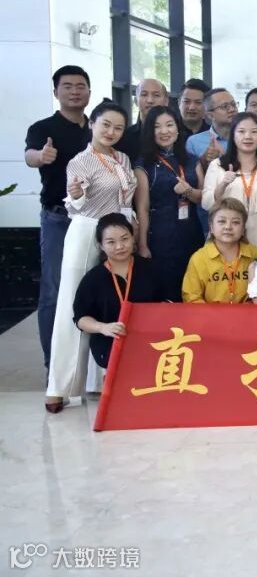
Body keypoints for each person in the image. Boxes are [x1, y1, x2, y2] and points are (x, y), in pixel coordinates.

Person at [45, 100, 135, 412]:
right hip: (88, 230)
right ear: (93, 124)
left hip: (119, 234)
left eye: (118, 127)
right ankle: (59, 387)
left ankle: (97, 380)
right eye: (105, 124)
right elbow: (76, 201)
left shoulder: (122, 158)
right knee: (72, 304)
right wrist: (77, 194)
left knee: (109, 301)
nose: (111, 131)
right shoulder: (80, 161)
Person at [25, 65, 91, 372]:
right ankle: (54, 366)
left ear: (89, 92)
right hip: (58, 219)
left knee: (92, 286)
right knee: (53, 290)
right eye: (68, 86)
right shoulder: (43, 128)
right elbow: (30, 156)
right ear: (56, 92)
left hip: (94, 219)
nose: (75, 91)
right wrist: (41, 157)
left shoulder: (97, 128)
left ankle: (89, 366)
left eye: (80, 86)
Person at [72, 213, 161, 374]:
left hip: (152, 347)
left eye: (124, 239)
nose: (119, 246)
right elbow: (80, 318)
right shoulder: (93, 279)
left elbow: (170, 304)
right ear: (101, 245)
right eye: (111, 242)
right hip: (111, 349)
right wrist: (103, 327)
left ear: (133, 238)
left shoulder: (152, 269)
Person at [134, 105, 204, 301]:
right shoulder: (143, 164)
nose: (164, 131)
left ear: (178, 128)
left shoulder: (192, 160)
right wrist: (142, 245)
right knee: (166, 290)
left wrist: (188, 191)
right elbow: (142, 208)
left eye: (169, 125)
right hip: (160, 237)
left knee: (193, 287)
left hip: (191, 232)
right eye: (157, 127)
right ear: (150, 132)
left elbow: (204, 198)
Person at [201, 112, 257, 248]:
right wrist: (223, 184)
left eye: (254, 132)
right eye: (241, 131)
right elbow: (206, 203)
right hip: (227, 236)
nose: (248, 136)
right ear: (233, 135)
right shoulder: (218, 165)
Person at [182, 198, 257, 303]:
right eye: (222, 221)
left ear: (243, 229)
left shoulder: (256, 255)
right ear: (211, 228)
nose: (228, 227)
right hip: (209, 313)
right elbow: (191, 297)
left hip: (248, 313)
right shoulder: (199, 258)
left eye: (235, 222)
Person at [118, 78, 169, 160]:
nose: (150, 100)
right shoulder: (123, 138)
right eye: (144, 94)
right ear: (135, 101)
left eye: (156, 95)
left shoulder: (176, 136)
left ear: (166, 101)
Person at [186, 88, 238, 165]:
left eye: (234, 105)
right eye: (224, 106)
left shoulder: (246, 137)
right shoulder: (194, 142)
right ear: (210, 115)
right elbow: (191, 171)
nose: (232, 109)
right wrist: (204, 160)